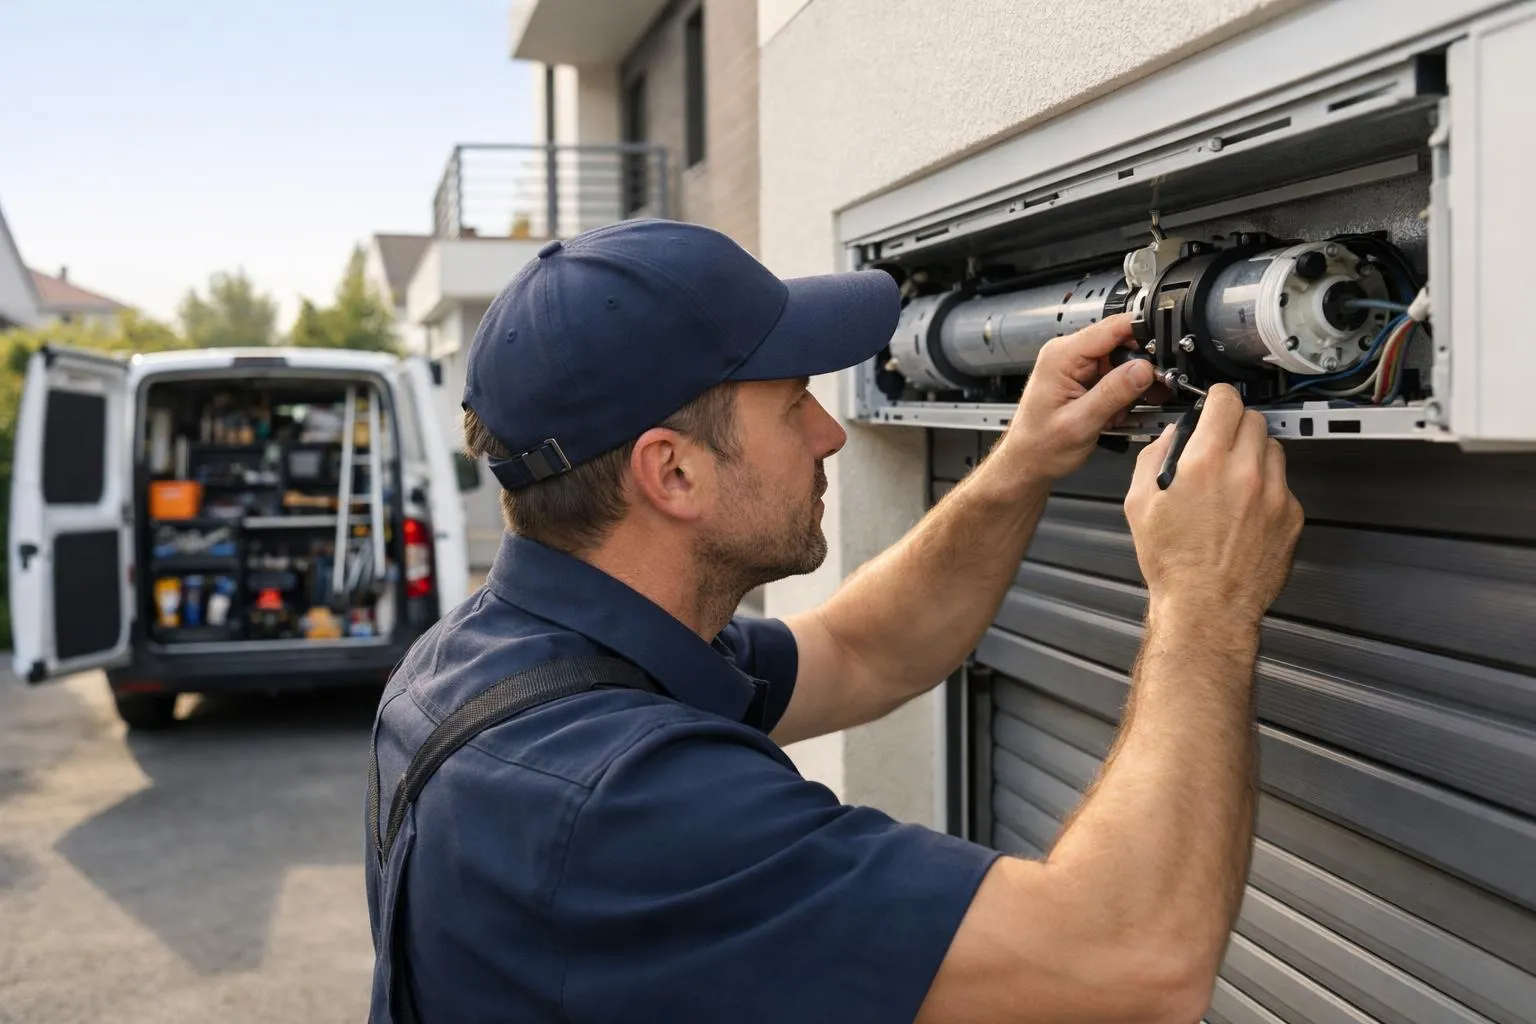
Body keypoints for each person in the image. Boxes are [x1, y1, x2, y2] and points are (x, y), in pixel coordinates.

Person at [365, 219, 1304, 1024]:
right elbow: (1129, 960)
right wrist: (1203, 600)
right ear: (672, 472)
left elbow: (864, 651)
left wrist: (1022, 462)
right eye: (792, 403)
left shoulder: (503, 661)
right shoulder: (620, 802)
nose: (831, 432)